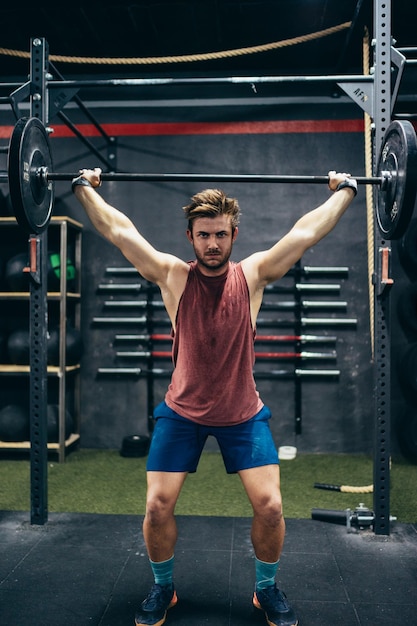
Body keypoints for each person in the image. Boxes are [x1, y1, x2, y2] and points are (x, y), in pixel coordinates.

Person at [72, 168, 357, 626]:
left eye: (221, 235)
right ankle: (164, 587)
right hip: (181, 412)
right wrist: (84, 189)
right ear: (190, 236)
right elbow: (119, 231)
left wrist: (346, 191)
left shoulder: (253, 275)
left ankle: (266, 590)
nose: (212, 244)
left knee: (271, 507)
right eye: (204, 235)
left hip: (242, 414)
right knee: (156, 506)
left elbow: (304, 233)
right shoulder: (173, 278)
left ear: (233, 234)